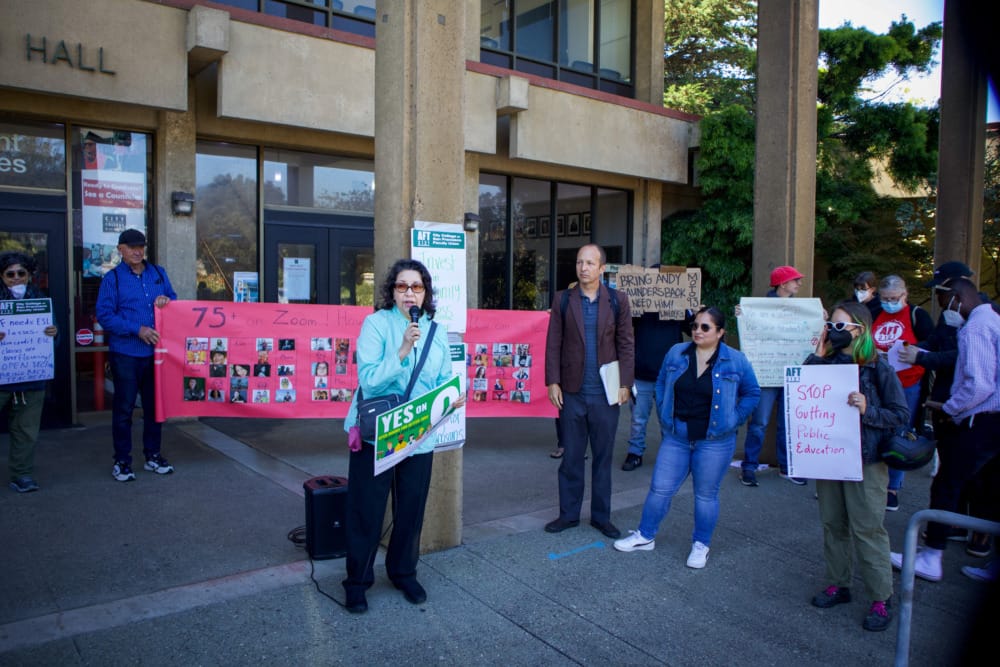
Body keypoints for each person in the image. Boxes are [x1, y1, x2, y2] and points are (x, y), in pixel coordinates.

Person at [341, 259, 465, 614]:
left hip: (419, 434)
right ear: (392, 291)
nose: (410, 293)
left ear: (425, 293)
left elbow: (442, 377)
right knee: (367, 510)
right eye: (402, 286)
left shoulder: (436, 331)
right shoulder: (376, 324)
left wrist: (451, 397)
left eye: (417, 287)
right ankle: (357, 582)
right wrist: (402, 350)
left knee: (411, 509)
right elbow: (369, 380)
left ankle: (403, 572)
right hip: (378, 432)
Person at [614, 307, 759, 569]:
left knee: (705, 495)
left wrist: (734, 419)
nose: (697, 331)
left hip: (715, 441)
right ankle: (645, 535)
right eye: (694, 326)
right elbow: (661, 382)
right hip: (677, 436)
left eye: (705, 327)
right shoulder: (676, 353)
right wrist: (665, 414)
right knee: (659, 488)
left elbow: (752, 393)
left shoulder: (735, 360)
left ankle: (701, 544)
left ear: (720, 332)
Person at [806, 301, 909, 632]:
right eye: (830, 326)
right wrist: (817, 356)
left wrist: (868, 410)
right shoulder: (825, 361)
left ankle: (881, 597)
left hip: (867, 461)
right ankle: (839, 583)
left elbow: (900, 415)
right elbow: (803, 394)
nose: (832, 332)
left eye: (839, 326)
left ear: (859, 330)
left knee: (867, 529)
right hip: (829, 457)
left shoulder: (879, 368)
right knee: (832, 523)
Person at [891, 278, 1000, 582]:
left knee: (946, 483)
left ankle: (931, 555)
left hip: (982, 420)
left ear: (956, 297)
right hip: (993, 420)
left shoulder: (975, 328)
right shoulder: (994, 319)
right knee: (990, 487)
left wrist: (950, 408)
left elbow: (978, 385)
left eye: (941, 300)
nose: (942, 308)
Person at [543, 244, 634, 540]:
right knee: (571, 457)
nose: (584, 268)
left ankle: (601, 517)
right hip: (572, 392)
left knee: (603, 458)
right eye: (580, 262)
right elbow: (553, 343)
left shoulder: (618, 301)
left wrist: (625, 383)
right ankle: (568, 515)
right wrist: (552, 381)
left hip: (606, 394)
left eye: (590, 263)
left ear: (602, 268)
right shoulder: (563, 300)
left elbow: (626, 343)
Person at [95, 229, 177, 482]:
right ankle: (122, 461)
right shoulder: (113, 279)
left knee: (154, 407)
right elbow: (105, 315)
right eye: (131, 247)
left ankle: (153, 455)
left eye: (140, 246)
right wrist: (136, 329)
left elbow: (174, 301)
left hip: (156, 354)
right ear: (121, 249)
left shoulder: (158, 273)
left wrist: (166, 301)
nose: (137, 251)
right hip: (126, 354)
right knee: (124, 409)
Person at [739, 265, 807, 486]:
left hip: (790, 374)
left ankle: (787, 466)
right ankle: (749, 466)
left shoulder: (802, 309)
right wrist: (742, 314)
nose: (799, 284)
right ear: (783, 284)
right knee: (759, 422)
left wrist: (820, 318)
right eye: (795, 280)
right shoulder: (759, 308)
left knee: (788, 424)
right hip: (766, 374)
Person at [870, 275, 933, 511]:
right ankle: (875, 481)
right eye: (885, 298)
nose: (889, 302)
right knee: (875, 430)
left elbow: (932, 344)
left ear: (904, 295)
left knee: (900, 433)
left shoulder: (917, 315)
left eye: (893, 298)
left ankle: (893, 487)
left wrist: (914, 351)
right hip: (878, 381)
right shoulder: (876, 312)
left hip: (908, 383)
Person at [0, 252, 58, 493]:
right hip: (3, 378)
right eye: (10, 274)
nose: (16, 278)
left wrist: (54, 334)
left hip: (32, 379)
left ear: (29, 275)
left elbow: (53, 340)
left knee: (26, 431)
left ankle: (22, 475)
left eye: (21, 273)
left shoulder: (40, 300)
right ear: (2, 276)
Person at [621, 267, 687, 472]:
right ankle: (635, 452)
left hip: (669, 375)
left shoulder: (679, 306)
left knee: (667, 418)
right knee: (638, 418)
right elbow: (622, 323)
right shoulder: (639, 305)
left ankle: (670, 454)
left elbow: (693, 327)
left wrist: (693, 309)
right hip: (641, 372)